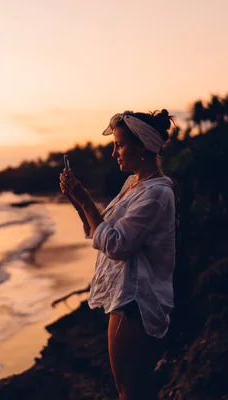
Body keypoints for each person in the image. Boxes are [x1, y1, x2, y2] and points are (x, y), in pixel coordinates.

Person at [59, 110, 176, 400]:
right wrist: (78, 202)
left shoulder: (156, 193)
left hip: (136, 301)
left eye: (119, 145)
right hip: (126, 298)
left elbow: (117, 245)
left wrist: (86, 200)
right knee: (133, 391)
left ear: (142, 147)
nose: (114, 153)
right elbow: (103, 229)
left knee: (129, 393)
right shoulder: (132, 186)